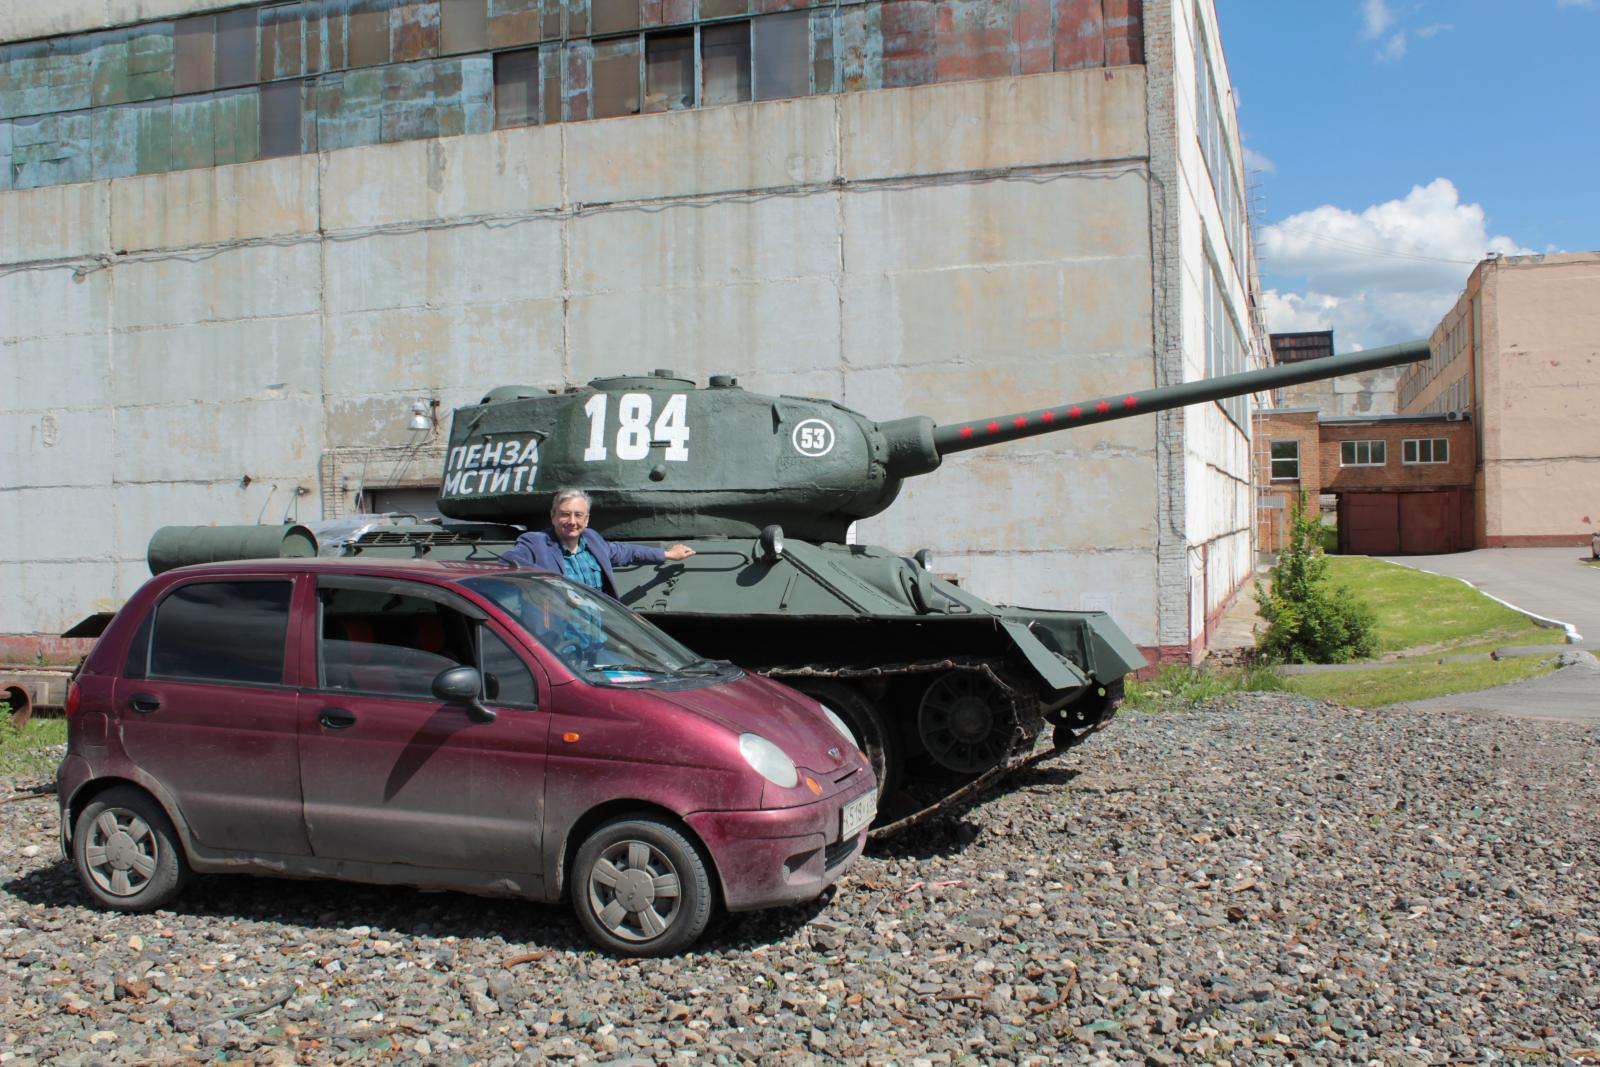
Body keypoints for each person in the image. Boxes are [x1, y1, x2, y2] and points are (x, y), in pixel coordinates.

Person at [502, 488, 694, 597]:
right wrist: (547, 585)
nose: (572, 521)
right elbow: (509, 563)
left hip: (596, 634)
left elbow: (623, 552)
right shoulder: (536, 543)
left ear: (586, 519)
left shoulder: (592, 539)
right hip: (557, 639)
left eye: (578, 515)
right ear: (553, 516)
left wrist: (666, 554)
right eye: (565, 514)